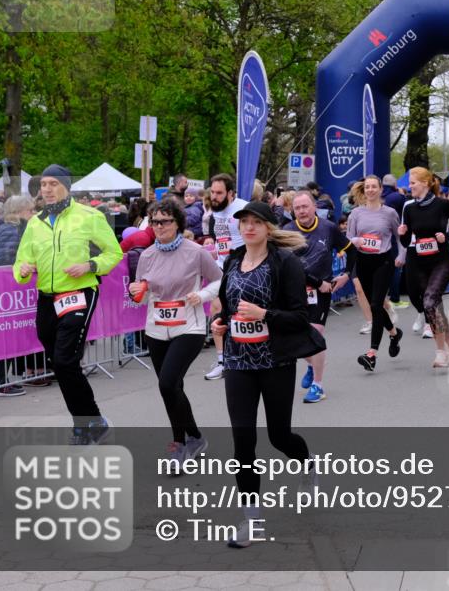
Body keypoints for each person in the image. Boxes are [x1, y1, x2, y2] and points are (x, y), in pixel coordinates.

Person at [210, 201, 322, 548]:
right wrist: (222, 323)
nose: (249, 227)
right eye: (244, 222)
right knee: (243, 441)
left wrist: (264, 314)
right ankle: (251, 519)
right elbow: (228, 304)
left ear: (268, 227)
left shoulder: (285, 262)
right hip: (239, 362)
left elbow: (300, 317)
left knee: (279, 436)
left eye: (257, 222)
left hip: (275, 361)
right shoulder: (232, 259)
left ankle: (307, 465)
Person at [13, 164, 123, 443]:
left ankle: (85, 423)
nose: (47, 189)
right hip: (47, 298)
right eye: (43, 185)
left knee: (64, 360)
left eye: (53, 183)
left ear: (66, 186)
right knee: (61, 364)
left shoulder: (89, 216)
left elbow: (114, 253)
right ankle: (93, 421)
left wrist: (90, 265)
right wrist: (23, 270)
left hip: (79, 293)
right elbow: (20, 262)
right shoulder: (35, 223)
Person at [129, 198, 221, 466]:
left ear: (178, 223)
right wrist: (137, 293)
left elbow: (218, 280)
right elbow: (141, 294)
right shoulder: (146, 255)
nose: (159, 226)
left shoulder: (195, 252)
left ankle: (180, 443)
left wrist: (202, 295)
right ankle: (192, 437)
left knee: (167, 383)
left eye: (165, 221)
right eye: (155, 221)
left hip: (188, 327)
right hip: (156, 327)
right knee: (171, 388)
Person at [283, 190, 353, 402]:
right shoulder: (287, 231)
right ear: (292, 211)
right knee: (293, 341)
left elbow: (352, 251)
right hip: (296, 291)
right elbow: (289, 266)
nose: (302, 211)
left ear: (314, 208)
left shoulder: (328, 228)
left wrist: (346, 275)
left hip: (321, 292)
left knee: (315, 335)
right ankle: (315, 363)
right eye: (297, 208)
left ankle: (318, 385)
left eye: (305, 207)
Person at [399, 167, 449, 368]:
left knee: (429, 301)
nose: (410, 187)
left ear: (426, 183)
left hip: (441, 260)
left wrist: (448, 236)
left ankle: (441, 352)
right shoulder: (409, 208)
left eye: (413, 183)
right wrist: (402, 233)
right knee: (435, 305)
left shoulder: (443, 205)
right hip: (420, 261)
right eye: (409, 184)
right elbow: (405, 241)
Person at [347, 176, 406, 372]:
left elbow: (399, 237)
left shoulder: (389, 213)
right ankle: (394, 333)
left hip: (384, 261)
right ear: (364, 191)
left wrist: (402, 255)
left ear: (381, 189)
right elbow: (349, 237)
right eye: (368, 187)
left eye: (374, 187)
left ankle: (371, 354)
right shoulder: (356, 213)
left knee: (374, 304)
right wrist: (356, 241)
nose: (371, 190)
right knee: (378, 305)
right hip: (363, 262)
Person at [0, 194, 39, 396]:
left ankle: (1, 381)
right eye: (30, 210)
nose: (33, 214)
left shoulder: (12, 228)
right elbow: (4, 261)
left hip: (9, 293)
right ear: (18, 212)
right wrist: (26, 267)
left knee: (7, 337)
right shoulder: (9, 230)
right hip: (6, 293)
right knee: (4, 338)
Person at [203, 174, 248, 380]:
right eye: (212, 192)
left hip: (243, 268)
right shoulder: (215, 212)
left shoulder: (243, 209)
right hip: (222, 268)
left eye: (219, 193)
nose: (214, 196)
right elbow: (220, 241)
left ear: (230, 193)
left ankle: (244, 355)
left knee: (243, 313)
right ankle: (222, 361)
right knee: (216, 310)